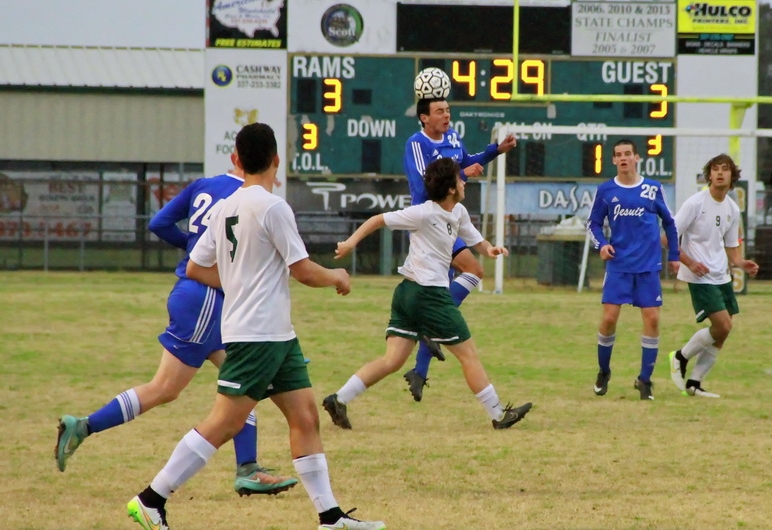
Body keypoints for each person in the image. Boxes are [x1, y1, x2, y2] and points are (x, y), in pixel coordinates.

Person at [126, 123, 385, 530]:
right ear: (276, 160)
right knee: (225, 423)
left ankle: (330, 517)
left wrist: (236, 282)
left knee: (305, 417)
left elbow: (196, 266)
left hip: (278, 334)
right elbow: (302, 270)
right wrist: (337, 276)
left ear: (238, 160)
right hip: (255, 335)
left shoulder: (225, 206)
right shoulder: (272, 207)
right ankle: (150, 499)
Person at [54, 155, 295, 496]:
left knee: (238, 385)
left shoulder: (202, 186)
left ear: (234, 157)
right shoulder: (247, 195)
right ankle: (86, 426)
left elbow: (159, 223)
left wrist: (191, 244)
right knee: (171, 387)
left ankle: (248, 469)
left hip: (196, 294)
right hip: (207, 296)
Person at [322, 157, 532, 431]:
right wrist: (350, 243)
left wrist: (490, 249)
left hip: (407, 293)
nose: (463, 181)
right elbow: (378, 219)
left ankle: (339, 399)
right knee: (468, 354)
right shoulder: (424, 213)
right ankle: (498, 415)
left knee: (393, 360)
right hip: (428, 294)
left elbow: (475, 240)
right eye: (459, 178)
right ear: (450, 189)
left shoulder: (457, 212)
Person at [401, 96, 518, 402]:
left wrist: (496, 150)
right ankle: (427, 336)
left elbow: (468, 160)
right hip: (431, 222)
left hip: (450, 218)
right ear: (424, 118)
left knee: (446, 289)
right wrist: (464, 175)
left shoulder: (453, 137)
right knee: (474, 269)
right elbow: (424, 183)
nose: (446, 115)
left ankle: (419, 370)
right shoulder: (417, 143)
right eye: (440, 111)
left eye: (448, 110)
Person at [587, 139, 680, 401]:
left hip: (648, 266)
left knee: (652, 319)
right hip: (619, 265)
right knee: (608, 319)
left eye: (628, 153)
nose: (624, 158)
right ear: (614, 161)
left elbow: (670, 224)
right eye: (618, 155)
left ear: (637, 158)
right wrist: (602, 245)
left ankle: (645, 380)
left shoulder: (653, 189)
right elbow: (593, 224)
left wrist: (674, 255)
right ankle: (604, 371)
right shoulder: (606, 191)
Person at [668, 154, 759, 398]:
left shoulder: (731, 207)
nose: (720, 173)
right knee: (723, 325)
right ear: (709, 175)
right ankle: (680, 356)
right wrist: (689, 262)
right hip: (699, 277)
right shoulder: (695, 203)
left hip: (722, 276)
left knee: (723, 331)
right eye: (715, 169)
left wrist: (740, 262)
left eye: (725, 169)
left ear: (732, 176)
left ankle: (694, 383)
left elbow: (730, 246)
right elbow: (667, 236)